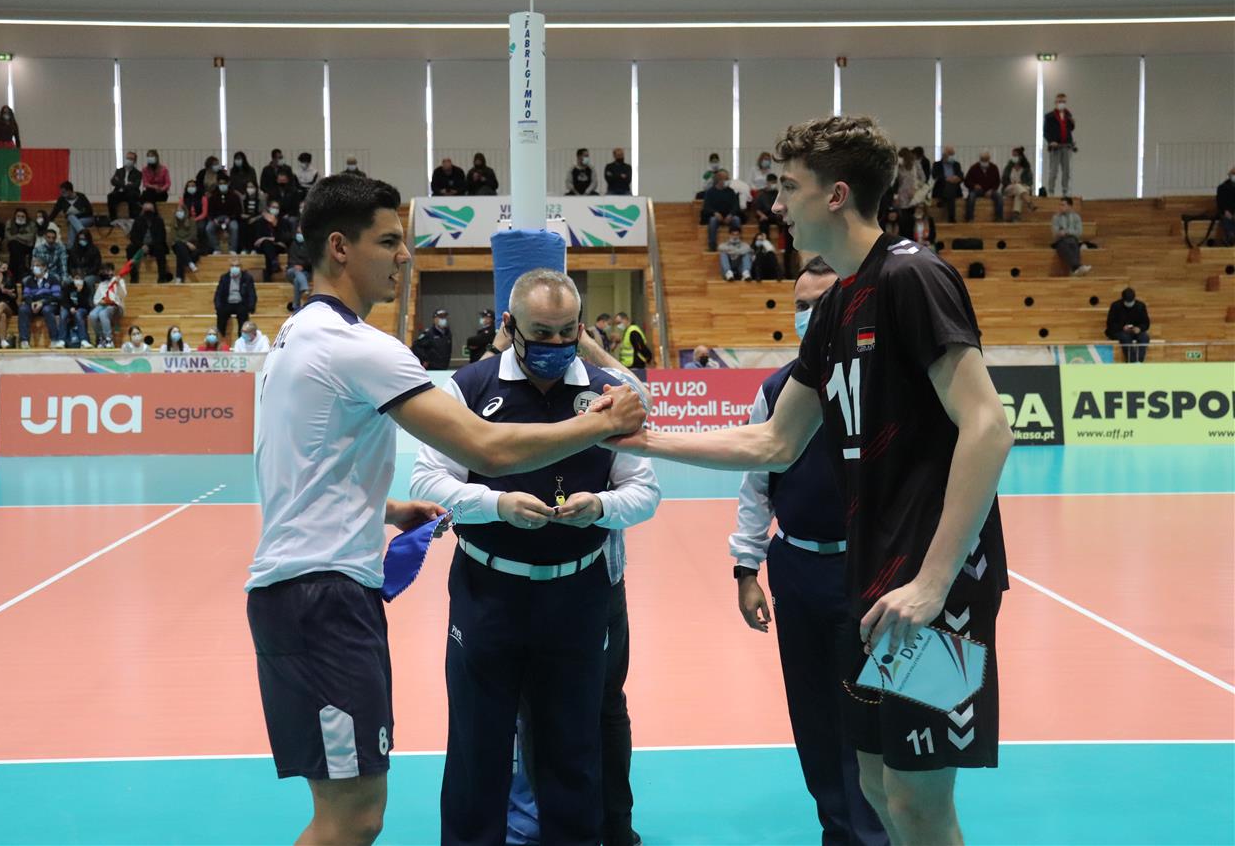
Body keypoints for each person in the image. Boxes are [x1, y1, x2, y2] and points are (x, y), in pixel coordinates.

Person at [606, 116, 1012, 846]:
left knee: (919, 803)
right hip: (869, 582)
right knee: (877, 786)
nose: (774, 204)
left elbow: (987, 426)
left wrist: (932, 583)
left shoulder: (913, 276)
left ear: (837, 195)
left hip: (934, 594)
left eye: (788, 186)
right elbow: (774, 440)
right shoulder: (835, 308)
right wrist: (644, 438)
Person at [245, 173, 644, 844]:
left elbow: (298, 467)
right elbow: (485, 447)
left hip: (312, 589)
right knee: (352, 817)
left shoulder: (296, 335)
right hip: (321, 596)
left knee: (354, 810)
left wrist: (386, 508)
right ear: (339, 247)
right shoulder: (358, 346)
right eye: (389, 241)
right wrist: (600, 423)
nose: (405, 255)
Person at [409, 267, 660, 846]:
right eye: (541, 333)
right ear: (509, 325)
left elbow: (644, 491)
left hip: (578, 594)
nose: (555, 344)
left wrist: (601, 507)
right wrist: (496, 504)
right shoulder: (469, 388)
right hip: (487, 593)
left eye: (567, 331)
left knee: (573, 747)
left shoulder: (609, 396)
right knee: (477, 746)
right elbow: (427, 482)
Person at [729, 256, 890, 846]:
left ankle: (874, 836)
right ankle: (837, 831)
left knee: (868, 715)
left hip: (867, 570)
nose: (809, 315)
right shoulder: (777, 390)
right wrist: (746, 569)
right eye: (801, 305)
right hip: (795, 569)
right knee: (813, 715)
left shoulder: (885, 383)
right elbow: (756, 484)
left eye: (822, 304)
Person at [18, 257, 62, 349]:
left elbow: (57, 296)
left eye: (37, 265)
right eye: (33, 266)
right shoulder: (29, 280)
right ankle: (24, 341)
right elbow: (25, 296)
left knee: (47, 310)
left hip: (49, 304)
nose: (35, 268)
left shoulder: (53, 279)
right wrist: (31, 303)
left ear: (44, 267)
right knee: (23, 309)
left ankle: (54, 339)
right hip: (33, 304)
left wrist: (42, 302)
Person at [214, 257, 257, 337]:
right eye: (232, 266)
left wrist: (251, 307)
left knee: (243, 316)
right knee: (221, 314)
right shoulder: (224, 277)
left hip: (241, 303)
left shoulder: (247, 277)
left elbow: (251, 293)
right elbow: (218, 293)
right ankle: (221, 338)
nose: (234, 268)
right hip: (227, 303)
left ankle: (241, 338)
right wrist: (218, 306)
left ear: (241, 267)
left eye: (237, 266)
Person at [128, 200, 169, 284]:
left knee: (161, 249)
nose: (148, 213)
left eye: (150, 210)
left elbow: (161, 237)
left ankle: (162, 278)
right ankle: (134, 277)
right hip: (140, 246)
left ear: (153, 210)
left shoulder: (159, 220)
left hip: (154, 246)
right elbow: (133, 236)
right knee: (130, 249)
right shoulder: (138, 220)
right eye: (146, 210)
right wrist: (142, 245)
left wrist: (149, 246)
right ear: (143, 211)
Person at [1105, 287, 1150, 363]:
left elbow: (1146, 323)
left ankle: (1139, 361)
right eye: (1127, 301)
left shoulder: (1140, 306)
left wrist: (1139, 328)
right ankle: (1132, 362)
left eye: (1131, 301)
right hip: (1120, 331)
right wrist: (1122, 328)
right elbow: (1110, 323)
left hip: (1135, 331)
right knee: (1125, 337)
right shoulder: (1115, 306)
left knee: (1145, 337)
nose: (1129, 303)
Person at [1044, 92, 1076, 197]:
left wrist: (1073, 123)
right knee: (1054, 170)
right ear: (1055, 102)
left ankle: (1065, 191)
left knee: (1066, 170)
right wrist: (1051, 141)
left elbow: (1070, 129)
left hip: (1066, 146)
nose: (1061, 103)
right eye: (1059, 101)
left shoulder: (1068, 115)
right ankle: (1051, 191)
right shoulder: (1049, 116)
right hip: (1055, 147)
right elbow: (1045, 132)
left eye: (1063, 101)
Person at [701, 170, 742, 251]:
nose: (728, 180)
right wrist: (715, 213)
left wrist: (731, 214)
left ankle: (736, 243)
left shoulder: (731, 191)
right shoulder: (710, 192)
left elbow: (736, 206)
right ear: (719, 180)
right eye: (726, 179)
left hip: (729, 216)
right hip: (716, 216)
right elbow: (706, 207)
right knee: (712, 221)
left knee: (736, 219)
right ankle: (712, 246)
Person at [253, 199, 292, 281]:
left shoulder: (283, 221)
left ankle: (268, 278)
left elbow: (285, 237)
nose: (275, 209)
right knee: (267, 245)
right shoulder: (261, 221)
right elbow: (258, 238)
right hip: (265, 246)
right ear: (268, 208)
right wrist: (271, 239)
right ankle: (274, 262)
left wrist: (275, 225)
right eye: (273, 207)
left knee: (268, 252)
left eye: (277, 208)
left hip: (279, 247)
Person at [88, 264, 126, 349]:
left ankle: (109, 339)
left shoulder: (119, 281)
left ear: (113, 271)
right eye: (105, 271)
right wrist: (101, 301)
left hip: (116, 306)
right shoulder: (102, 284)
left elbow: (123, 295)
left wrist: (118, 284)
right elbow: (95, 300)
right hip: (103, 305)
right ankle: (101, 338)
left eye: (108, 270)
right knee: (92, 315)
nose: (107, 273)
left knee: (102, 314)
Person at [1052, 197, 1092, 276]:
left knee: (1073, 242)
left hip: (1073, 239)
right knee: (1065, 244)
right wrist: (1061, 233)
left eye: (1063, 205)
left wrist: (1067, 232)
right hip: (1060, 241)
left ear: (1069, 206)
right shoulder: (1056, 218)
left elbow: (1079, 232)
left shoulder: (1076, 217)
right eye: (1060, 205)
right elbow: (1055, 233)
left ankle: (1075, 269)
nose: (1060, 207)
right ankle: (1078, 267)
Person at [206, 174, 242, 253]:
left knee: (234, 227)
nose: (222, 185)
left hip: (230, 218)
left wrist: (230, 218)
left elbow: (237, 211)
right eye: (220, 184)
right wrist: (214, 219)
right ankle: (216, 249)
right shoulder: (213, 196)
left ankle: (233, 249)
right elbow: (210, 211)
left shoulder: (234, 196)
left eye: (224, 183)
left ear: (228, 184)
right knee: (209, 228)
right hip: (217, 218)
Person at [964, 151, 1003, 223]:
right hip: (978, 190)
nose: (984, 161)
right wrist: (974, 185)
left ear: (989, 159)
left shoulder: (994, 168)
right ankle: (970, 218)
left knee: (999, 197)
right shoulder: (974, 167)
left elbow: (997, 182)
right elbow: (966, 181)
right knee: (971, 196)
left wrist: (992, 190)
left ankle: (999, 218)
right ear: (980, 159)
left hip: (990, 190)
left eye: (986, 159)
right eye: (983, 159)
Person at [58, 272, 94, 348]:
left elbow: (87, 303)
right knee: (63, 314)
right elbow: (64, 301)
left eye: (80, 279)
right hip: (69, 308)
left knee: (78, 314)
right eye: (76, 278)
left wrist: (79, 292)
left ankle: (84, 340)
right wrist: (70, 308)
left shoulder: (87, 288)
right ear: (73, 279)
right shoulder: (68, 287)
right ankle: (61, 340)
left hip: (82, 308)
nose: (78, 281)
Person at [1001, 147, 1036, 222]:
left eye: (1015, 155)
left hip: (1023, 188)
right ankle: (1029, 202)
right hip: (1009, 188)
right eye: (1013, 155)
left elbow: (1030, 182)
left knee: (1019, 193)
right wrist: (1012, 183)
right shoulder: (1009, 167)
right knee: (1017, 186)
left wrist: (1022, 183)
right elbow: (1004, 180)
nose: (1014, 157)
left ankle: (1015, 215)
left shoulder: (1026, 168)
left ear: (1020, 157)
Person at [931, 147, 963, 224]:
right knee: (949, 187)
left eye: (953, 154)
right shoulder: (937, 164)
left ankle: (944, 200)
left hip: (954, 187)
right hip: (941, 187)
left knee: (951, 187)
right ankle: (951, 217)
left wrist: (957, 178)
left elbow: (961, 175)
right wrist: (947, 179)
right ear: (945, 155)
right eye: (950, 154)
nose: (952, 156)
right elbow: (935, 175)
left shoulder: (956, 164)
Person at [108, 150, 144, 219]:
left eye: (131, 159)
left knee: (132, 196)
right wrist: (125, 183)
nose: (128, 160)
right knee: (111, 196)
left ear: (134, 161)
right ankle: (113, 219)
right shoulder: (119, 171)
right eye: (127, 158)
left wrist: (120, 183)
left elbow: (136, 185)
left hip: (131, 193)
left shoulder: (138, 173)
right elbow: (113, 181)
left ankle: (132, 218)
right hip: (119, 192)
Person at [286, 228, 313, 312]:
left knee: (297, 280)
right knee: (295, 271)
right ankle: (305, 288)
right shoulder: (292, 244)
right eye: (298, 232)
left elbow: (312, 261)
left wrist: (302, 266)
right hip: (292, 270)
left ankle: (296, 306)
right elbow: (291, 260)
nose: (299, 234)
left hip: (305, 271)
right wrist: (296, 266)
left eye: (301, 232)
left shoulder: (310, 246)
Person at [170, 206, 200, 283]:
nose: (179, 213)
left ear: (185, 212)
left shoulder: (191, 221)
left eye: (181, 211)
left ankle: (179, 277)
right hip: (178, 245)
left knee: (180, 253)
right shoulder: (174, 222)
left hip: (190, 245)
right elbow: (174, 236)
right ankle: (190, 263)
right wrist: (186, 242)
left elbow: (193, 235)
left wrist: (186, 243)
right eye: (177, 211)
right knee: (179, 245)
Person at [5, 207, 37, 276]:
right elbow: (8, 237)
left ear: (26, 217)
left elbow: (30, 237)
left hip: (27, 246)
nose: (20, 218)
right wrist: (21, 238)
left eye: (22, 216)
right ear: (15, 216)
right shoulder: (10, 222)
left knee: (15, 247)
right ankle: (21, 271)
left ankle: (12, 272)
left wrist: (17, 236)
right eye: (18, 216)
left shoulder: (31, 223)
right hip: (14, 246)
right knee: (15, 245)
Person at [893, 148, 926, 214]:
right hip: (901, 195)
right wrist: (895, 197)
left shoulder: (915, 165)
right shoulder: (898, 167)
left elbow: (923, 178)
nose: (900, 159)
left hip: (914, 194)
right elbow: (896, 183)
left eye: (901, 157)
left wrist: (915, 188)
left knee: (913, 213)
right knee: (903, 213)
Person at [239, 179, 265, 253]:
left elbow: (263, 212)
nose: (250, 189)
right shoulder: (243, 198)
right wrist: (244, 216)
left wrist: (255, 218)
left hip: (257, 218)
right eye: (248, 187)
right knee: (243, 225)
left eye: (252, 187)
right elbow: (240, 212)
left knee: (256, 225)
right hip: (246, 217)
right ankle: (244, 248)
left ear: (256, 188)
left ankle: (254, 248)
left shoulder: (261, 198)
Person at [754, 173, 783, 238]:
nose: (774, 184)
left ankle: (783, 242)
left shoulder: (778, 194)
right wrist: (762, 215)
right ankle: (766, 242)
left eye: (775, 183)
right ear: (767, 182)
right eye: (772, 182)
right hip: (764, 216)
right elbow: (757, 209)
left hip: (776, 216)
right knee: (763, 223)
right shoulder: (761, 194)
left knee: (784, 222)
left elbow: (782, 206)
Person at [1217, 166, 1235, 246]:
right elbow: (1221, 203)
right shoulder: (1223, 187)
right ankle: (1230, 237)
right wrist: (1226, 211)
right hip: (1228, 213)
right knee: (1227, 218)